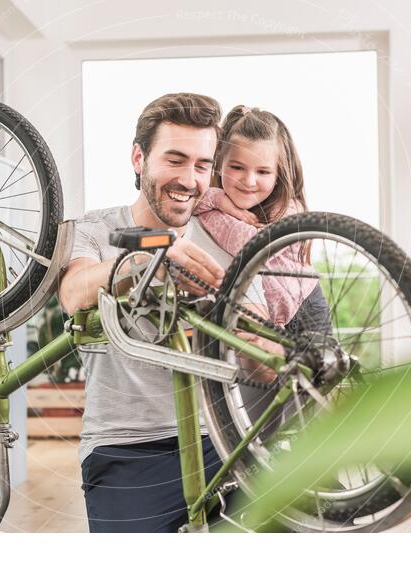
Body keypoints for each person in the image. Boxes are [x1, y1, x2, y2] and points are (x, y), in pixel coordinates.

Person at [59, 93, 261, 532]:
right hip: (124, 450)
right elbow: (74, 292)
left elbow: (259, 368)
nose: (189, 179)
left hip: (217, 441)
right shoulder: (95, 229)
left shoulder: (226, 240)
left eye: (202, 165)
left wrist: (254, 337)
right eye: (175, 159)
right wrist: (151, 260)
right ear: (139, 158)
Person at [192, 105, 331, 336]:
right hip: (261, 317)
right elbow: (195, 199)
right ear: (218, 164)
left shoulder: (288, 208)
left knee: (325, 370)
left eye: (263, 172)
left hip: (306, 308)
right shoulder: (215, 203)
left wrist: (215, 211)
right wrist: (222, 202)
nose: (249, 180)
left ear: (279, 175)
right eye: (237, 167)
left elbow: (253, 246)